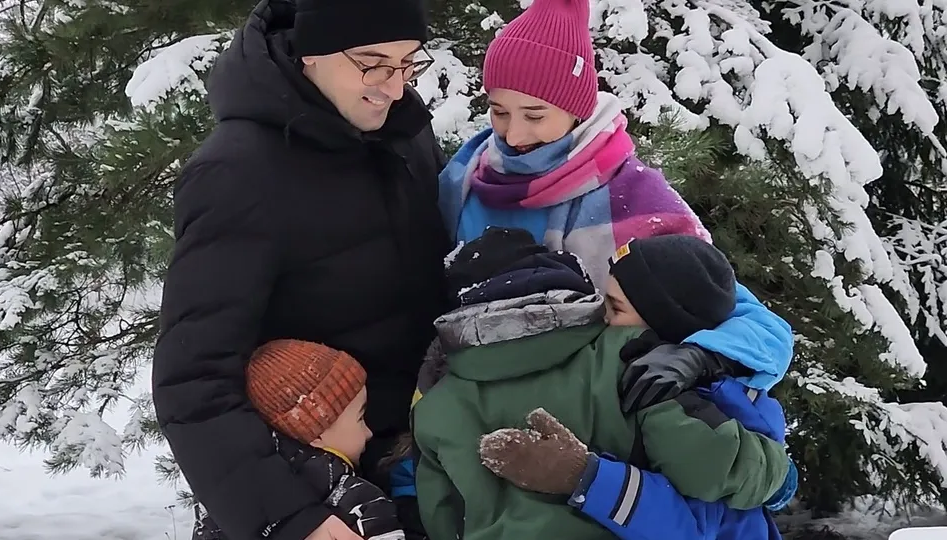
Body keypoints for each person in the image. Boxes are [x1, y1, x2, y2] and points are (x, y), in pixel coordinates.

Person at [150, 0, 450, 538]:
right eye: (372, 61)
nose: (394, 86)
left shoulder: (402, 131)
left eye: (408, 63)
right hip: (315, 488)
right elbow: (193, 379)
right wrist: (290, 517)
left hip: (418, 468)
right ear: (310, 53)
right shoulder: (237, 172)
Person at [437, 0, 792, 398]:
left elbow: (759, 326)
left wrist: (701, 356)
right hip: (468, 405)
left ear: (577, 109)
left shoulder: (633, 197)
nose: (513, 136)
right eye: (499, 112)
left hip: (590, 417)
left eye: (534, 116)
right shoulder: (466, 175)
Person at [412, 228, 792, 540]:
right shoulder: (632, 362)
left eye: (613, 307)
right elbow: (713, 472)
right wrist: (780, 476)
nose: (605, 319)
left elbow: (439, 513)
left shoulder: (433, 407)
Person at [195, 339, 407, 540]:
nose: (369, 432)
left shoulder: (223, 507)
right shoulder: (359, 503)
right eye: (360, 418)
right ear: (316, 433)